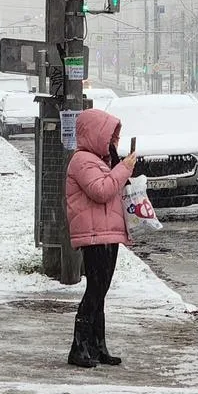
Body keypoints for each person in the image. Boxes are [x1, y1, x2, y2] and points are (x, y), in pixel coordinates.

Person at [64, 107, 137, 368]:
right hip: (94, 234)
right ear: (96, 134)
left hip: (106, 232)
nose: (114, 142)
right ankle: (79, 347)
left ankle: (97, 345)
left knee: (101, 291)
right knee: (95, 290)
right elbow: (101, 190)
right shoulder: (82, 160)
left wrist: (121, 168)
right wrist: (123, 170)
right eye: (110, 136)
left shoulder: (100, 160)